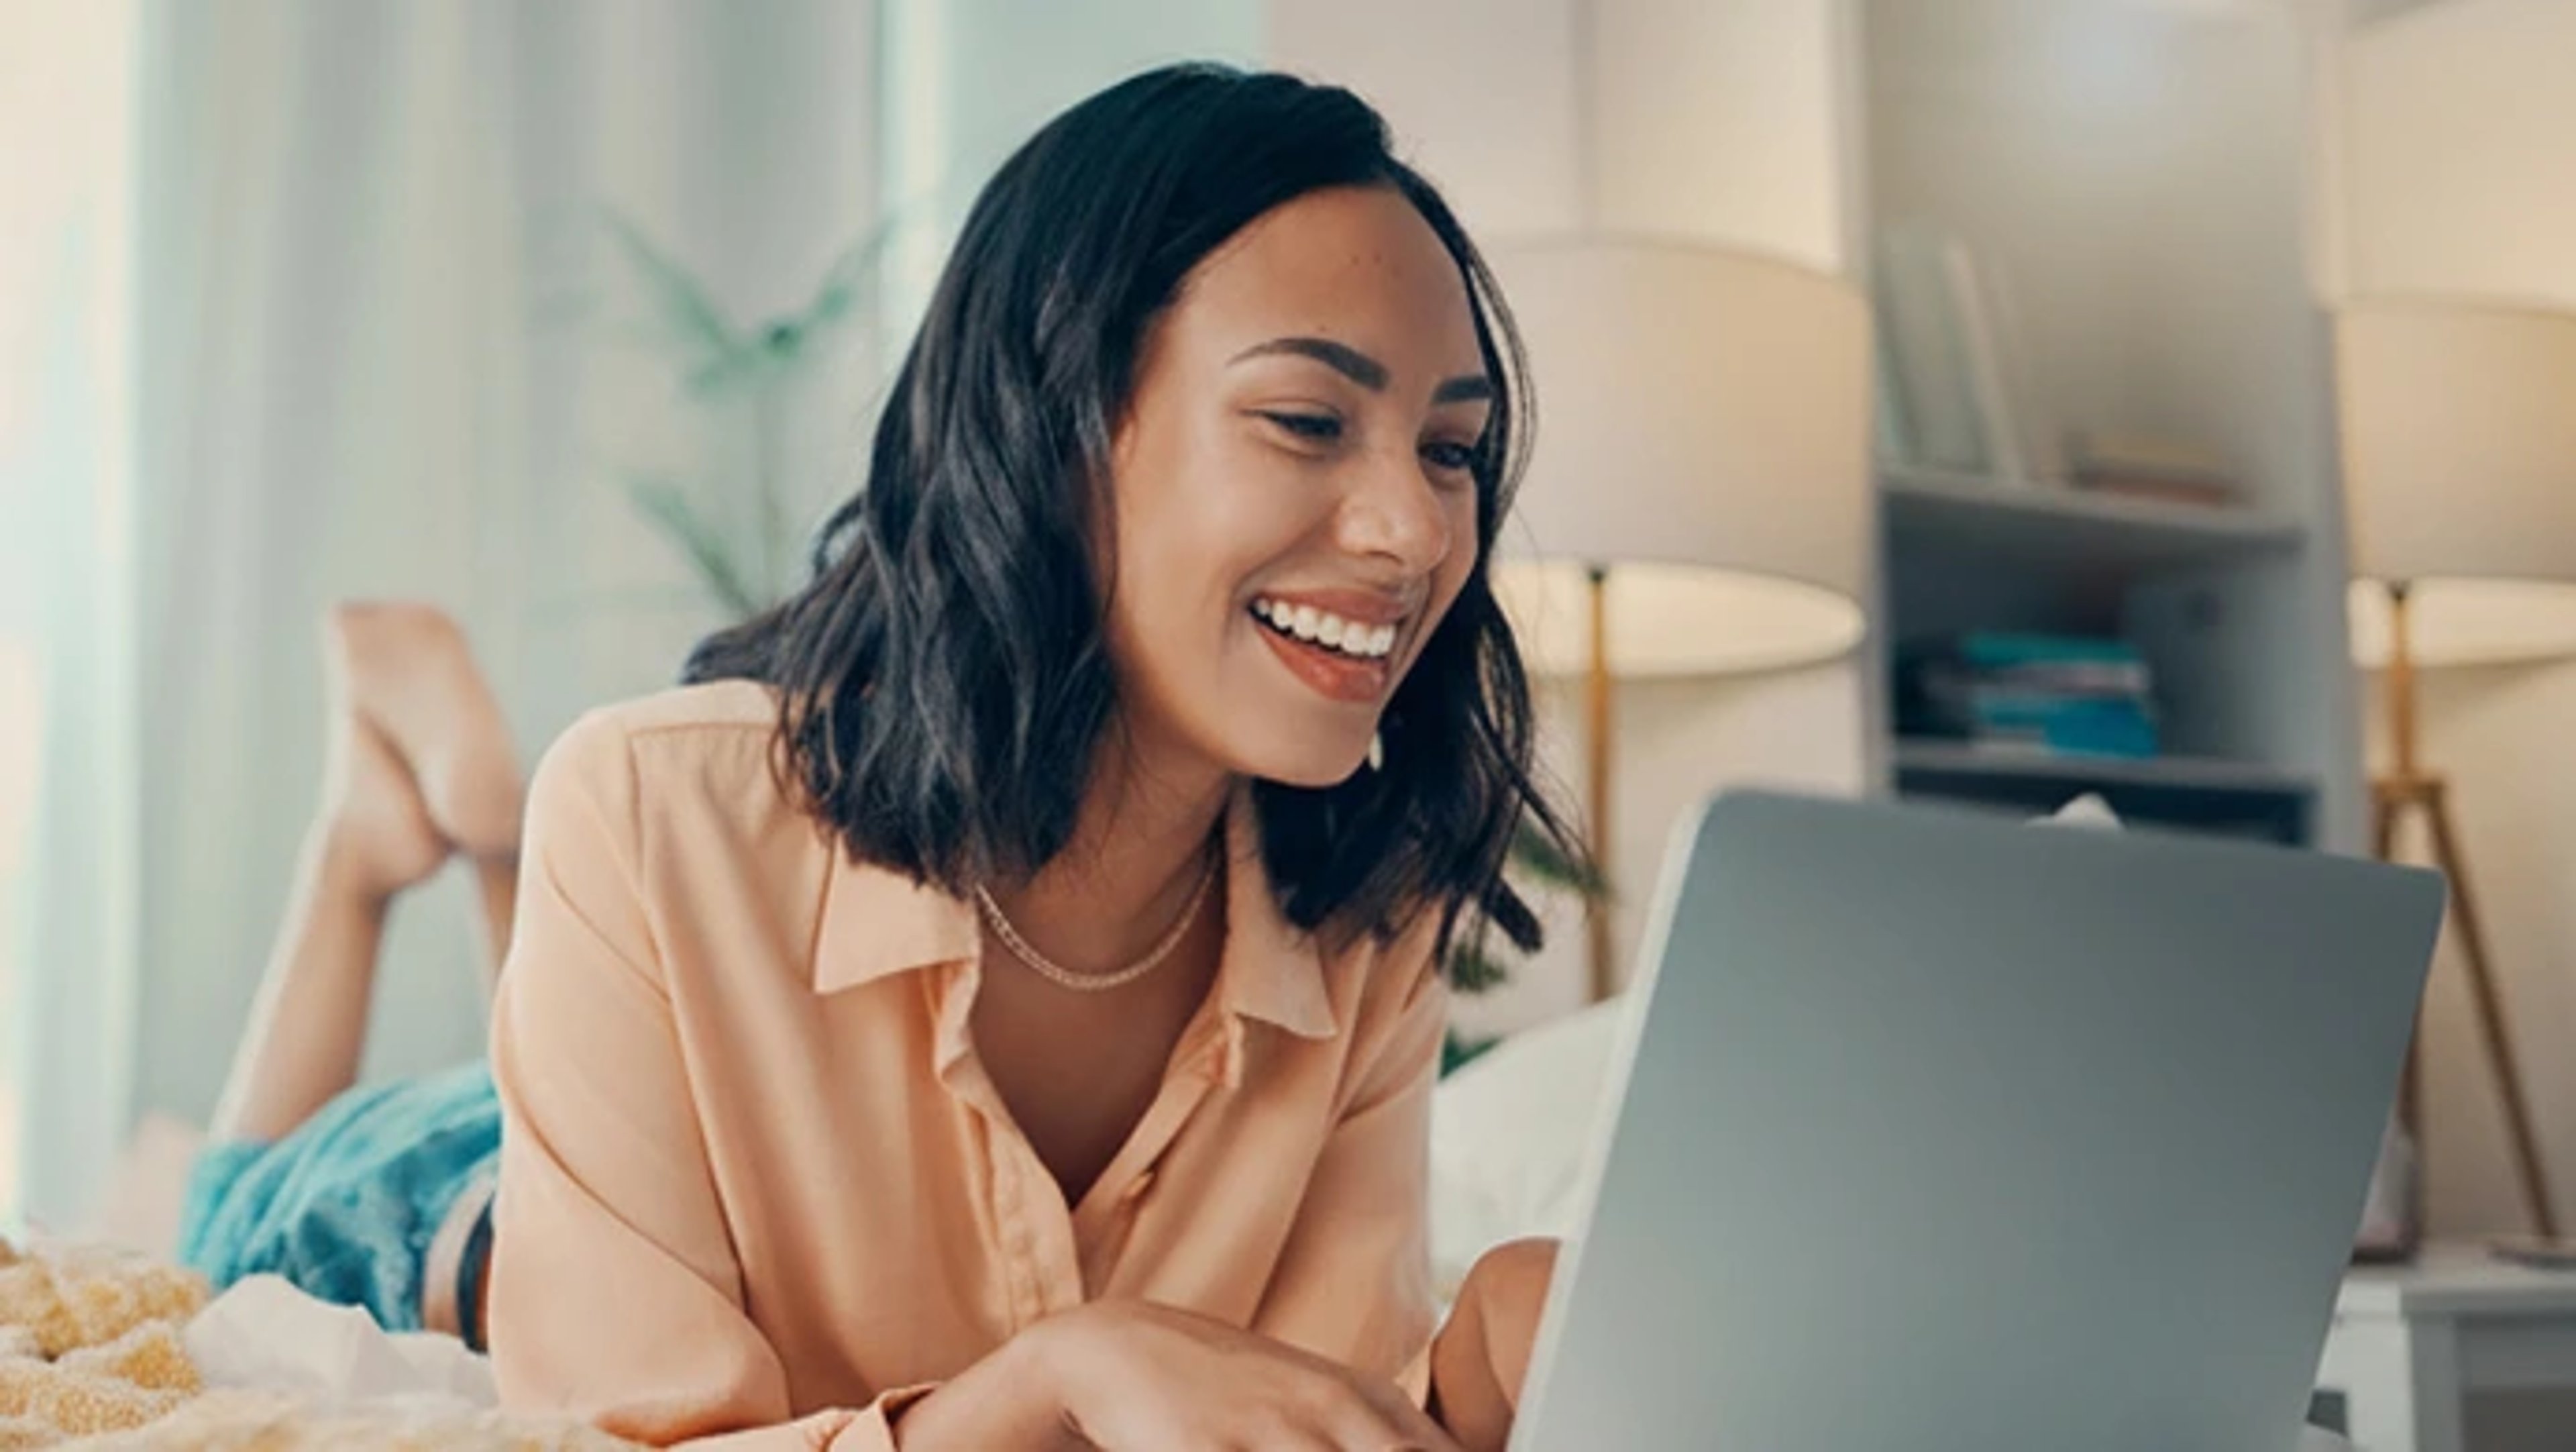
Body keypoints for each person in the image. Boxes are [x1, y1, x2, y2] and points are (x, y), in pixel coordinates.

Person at [513, 61, 1572, 1451]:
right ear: (1053, 427)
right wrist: (1048, 1377)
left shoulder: (1369, 913)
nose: (1417, 532)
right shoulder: (647, 814)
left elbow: (1298, 1420)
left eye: (1450, 450)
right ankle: (383, 826)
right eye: (1309, 421)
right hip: (426, 1202)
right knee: (283, 1189)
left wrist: (1486, 1374)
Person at [176, 601, 523, 1351]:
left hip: (494, 1164)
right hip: (493, 1172)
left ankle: (413, 848)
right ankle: (376, 850)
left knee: (213, 1267)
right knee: (221, 1254)